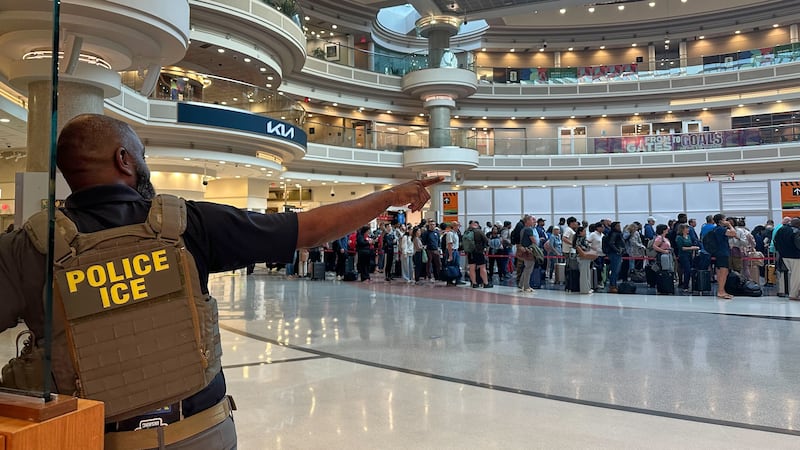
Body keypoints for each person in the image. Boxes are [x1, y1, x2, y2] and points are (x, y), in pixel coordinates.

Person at [0, 114, 442, 449]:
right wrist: (389, 196)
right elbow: (306, 229)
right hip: (198, 432)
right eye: (142, 157)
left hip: (93, 438)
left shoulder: (27, 247)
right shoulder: (187, 224)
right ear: (124, 160)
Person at [710, 213, 737, 300]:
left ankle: (722, 290)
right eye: (725, 219)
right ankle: (721, 291)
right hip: (723, 253)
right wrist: (729, 225)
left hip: (719, 252)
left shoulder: (716, 229)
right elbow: (733, 233)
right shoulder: (720, 229)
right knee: (723, 272)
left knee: (720, 272)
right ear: (721, 221)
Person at [773, 217, 800, 300]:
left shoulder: (781, 230)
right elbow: (798, 244)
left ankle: (785, 291)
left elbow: (775, 241)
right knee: (796, 276)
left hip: (784, 256)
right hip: (796, 256)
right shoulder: (796, 231)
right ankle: (793, 294)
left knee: (789, 274)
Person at [675, 223, 699, 292]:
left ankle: (690, 285)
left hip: (690, 255)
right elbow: (682, 248)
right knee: (687, 270)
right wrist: (692, 248)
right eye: (687, 228)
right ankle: (685, 286)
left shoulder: (688, 236)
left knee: (690, 270)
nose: (688, 230)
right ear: (682, 229)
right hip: (683, 255)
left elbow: (690, 244)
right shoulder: (679, 238)